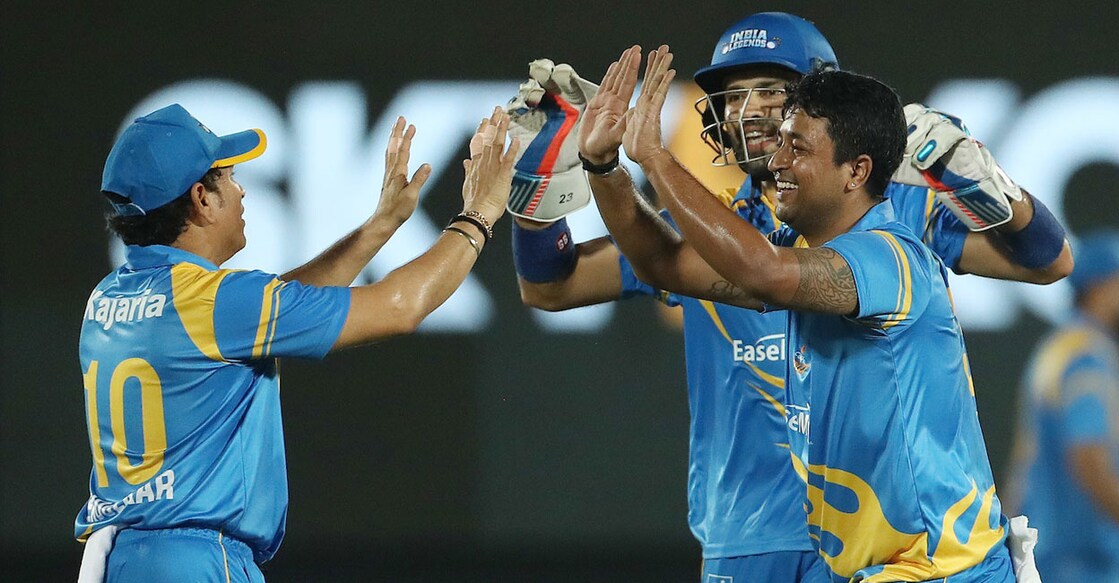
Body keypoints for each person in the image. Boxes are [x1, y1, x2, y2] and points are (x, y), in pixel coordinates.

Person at [506, 12, 1070, 581]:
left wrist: (983, 179)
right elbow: (556, 284)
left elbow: (1049, 261)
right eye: (731, 96)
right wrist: (567, 166)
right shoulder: (722, 229)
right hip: (762, 539)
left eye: (771, 92)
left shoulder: (892, 219)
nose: (746, 112)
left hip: (909, 550)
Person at [599, 46, 1015, 580]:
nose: (776, 162)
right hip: (871, 566)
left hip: (943, 568)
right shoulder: (803, 258)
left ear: (855, 171)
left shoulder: (890, 258)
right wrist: (603, 166)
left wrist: (657, 160)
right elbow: (663, 263)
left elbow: (764, 272)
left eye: (798, 147)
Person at [75, 104, 518, 582]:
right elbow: (400, 306)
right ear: (201, 198)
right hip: (195, 563)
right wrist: (480, 214)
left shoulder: (109, 297)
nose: (242, 189)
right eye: (229, 176)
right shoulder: (219, 304)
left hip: (123, 560)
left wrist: (379, 227)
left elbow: (271, 310)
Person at [1009, 230, 1119, 582]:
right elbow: (1088, 456)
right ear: (1102, 287)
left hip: (1044, 550)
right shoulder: (1087, 356)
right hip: (1081, 559)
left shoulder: (1058, 346)